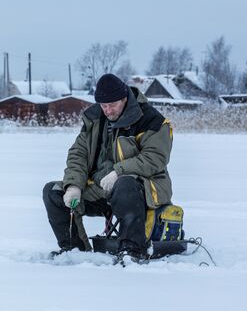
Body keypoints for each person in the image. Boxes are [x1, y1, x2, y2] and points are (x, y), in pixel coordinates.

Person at [42, 73, 174, 259]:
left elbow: (155, 159)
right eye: (103, 106)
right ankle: (74, 251)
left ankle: (130, 251)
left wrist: (118, 172)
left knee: (125, 184)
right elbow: (78, 154)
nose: (108, 111)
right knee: (53, 191)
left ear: (125, 98)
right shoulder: (95, 119)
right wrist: (73, 185)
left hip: (144, 189)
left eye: (112, 105)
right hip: (100, 189)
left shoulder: (152, 120)